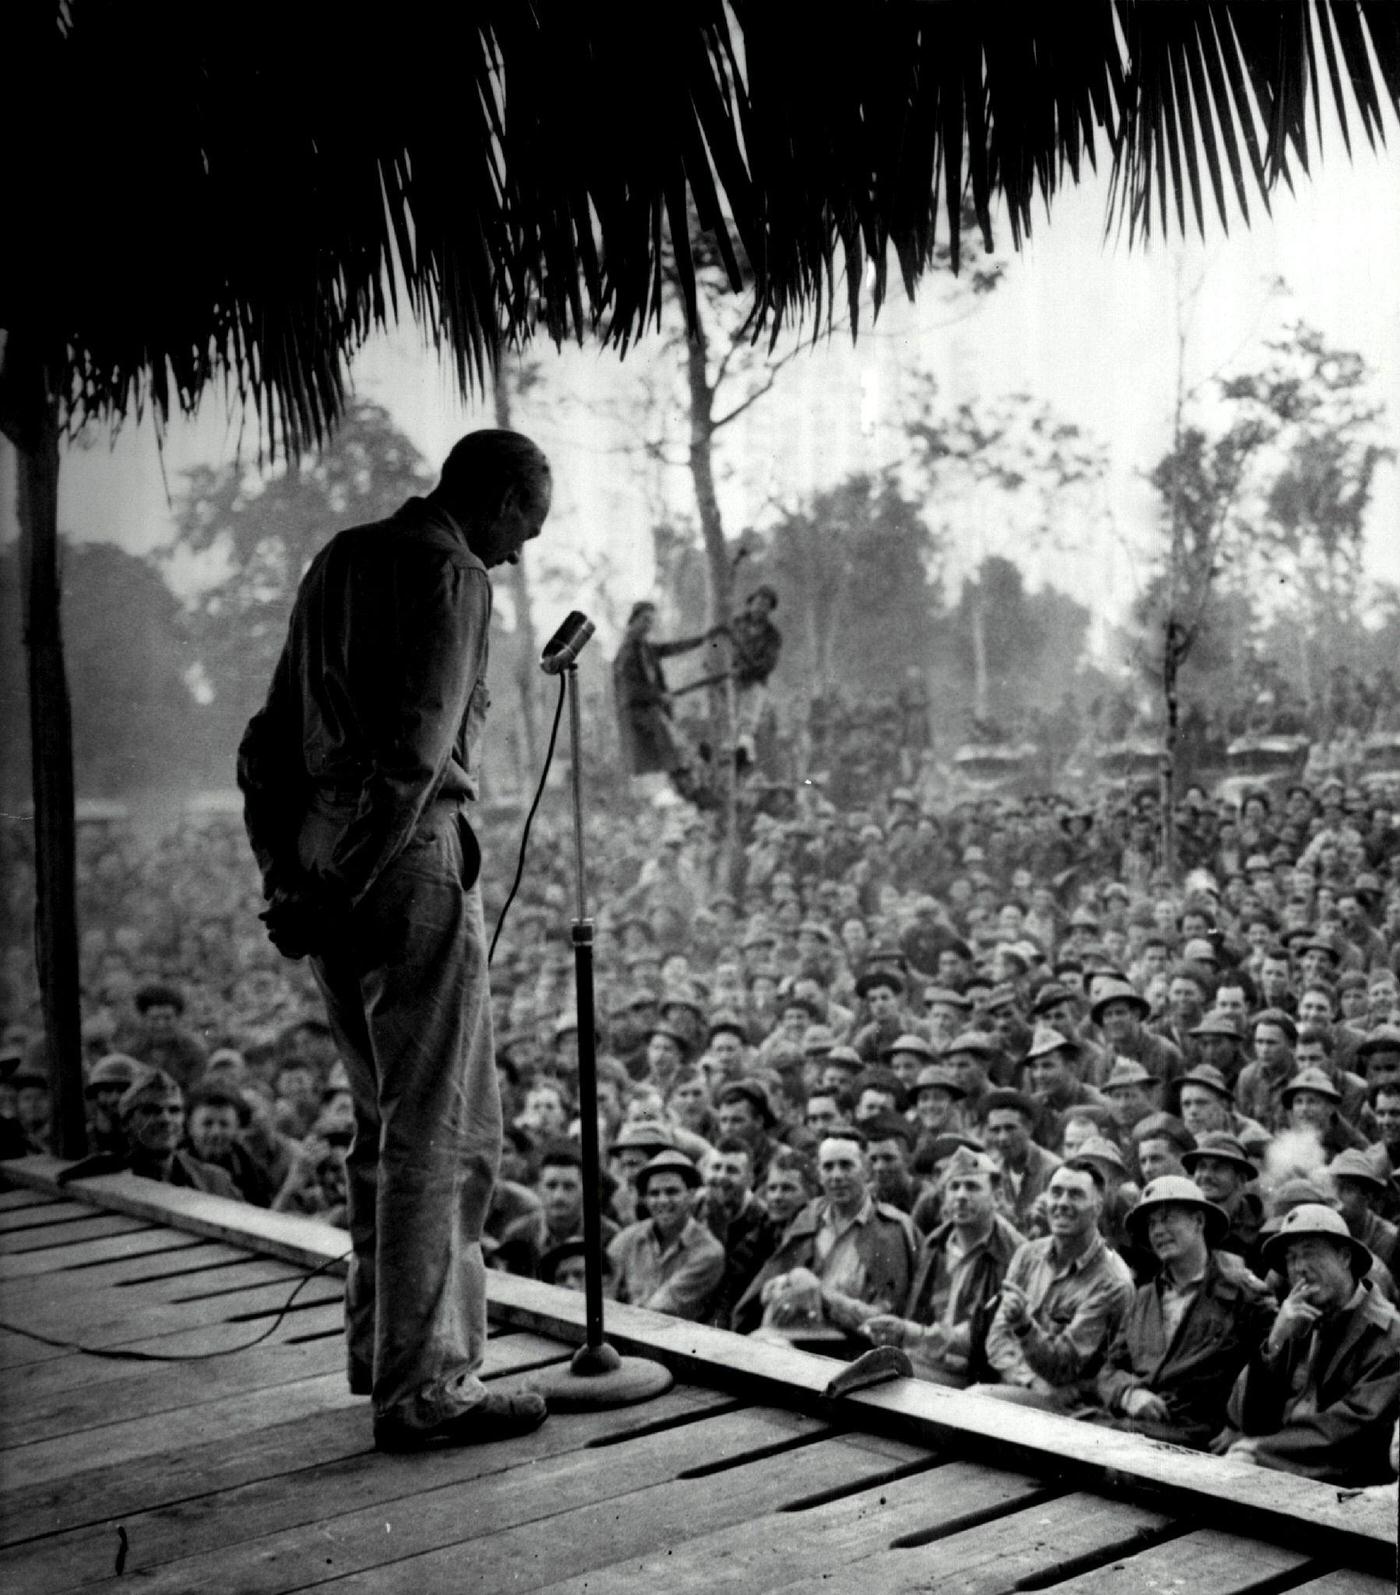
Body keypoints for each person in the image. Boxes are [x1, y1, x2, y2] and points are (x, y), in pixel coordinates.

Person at [236, 429, 553, 1452]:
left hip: (328, 857)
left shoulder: (338, 559)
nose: (513, 555)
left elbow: (262, 746)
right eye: (521, 528)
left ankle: (381, 1352)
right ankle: (426, 1386)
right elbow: (418, 757)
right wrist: (345, 881)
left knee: (382, 1121)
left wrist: (292, 879)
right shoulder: (451, 572)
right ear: (495, 498)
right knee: (442, 1128)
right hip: (402, 862)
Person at [1221, 1203, 1400, 1484]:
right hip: (1279, 1470)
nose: (1299, 1268)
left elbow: (1354, 1427)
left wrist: (1262, 1453)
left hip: (1343, 1488)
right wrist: (1275, 1342)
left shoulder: (1390, 1334)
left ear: (1344, 1256)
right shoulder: (1296, 1319)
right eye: (1291, 1259)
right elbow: (1245, 1418)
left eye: (1310, 1252)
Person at [1090, 1177, 1273, 1448]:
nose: (1158, 1231)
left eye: (1167, 1218)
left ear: (1198, 1221)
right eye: (1152, 1224)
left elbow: (1273, 1368)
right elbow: (1111, 1368)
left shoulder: (1243, 1293)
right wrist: (1129, 1393)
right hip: (1136, 1428)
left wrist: (1242, 1428)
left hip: (1198, 1439)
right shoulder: (1143, 1298)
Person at [974, 1163, 1135, 1411]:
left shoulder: (1112, 1281)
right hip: (1028, 1388)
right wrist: (1029, 1381)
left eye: (1076, 1195)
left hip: (1076, 1408)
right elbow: (997, 1339)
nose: (1062, 1203)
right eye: (1056, 1192)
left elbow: (1065, 1368)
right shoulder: (1029, 1254)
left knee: (974, 1400)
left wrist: (1024, 1327)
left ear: (1098, 1208)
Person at [860, 1147, 1025, 1387]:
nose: (960, 1196)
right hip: (931, 1360)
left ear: (997, 1198)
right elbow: (919, 1310)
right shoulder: (936, 1243)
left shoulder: (1014, 1252)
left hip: (978, 1372)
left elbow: (984, 1336)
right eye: (954, 1187)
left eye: (972, 1187)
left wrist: (911, 1332)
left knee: (883, 1378)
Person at [607, 1149, 724, 1321]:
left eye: (672, 1192)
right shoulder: (625, 1240)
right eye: (654, 1194)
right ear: (645, 1199)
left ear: (691, 1195)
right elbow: (604, 1295)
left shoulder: (708, 1251)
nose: (662, 1200)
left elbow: (662, 1308)